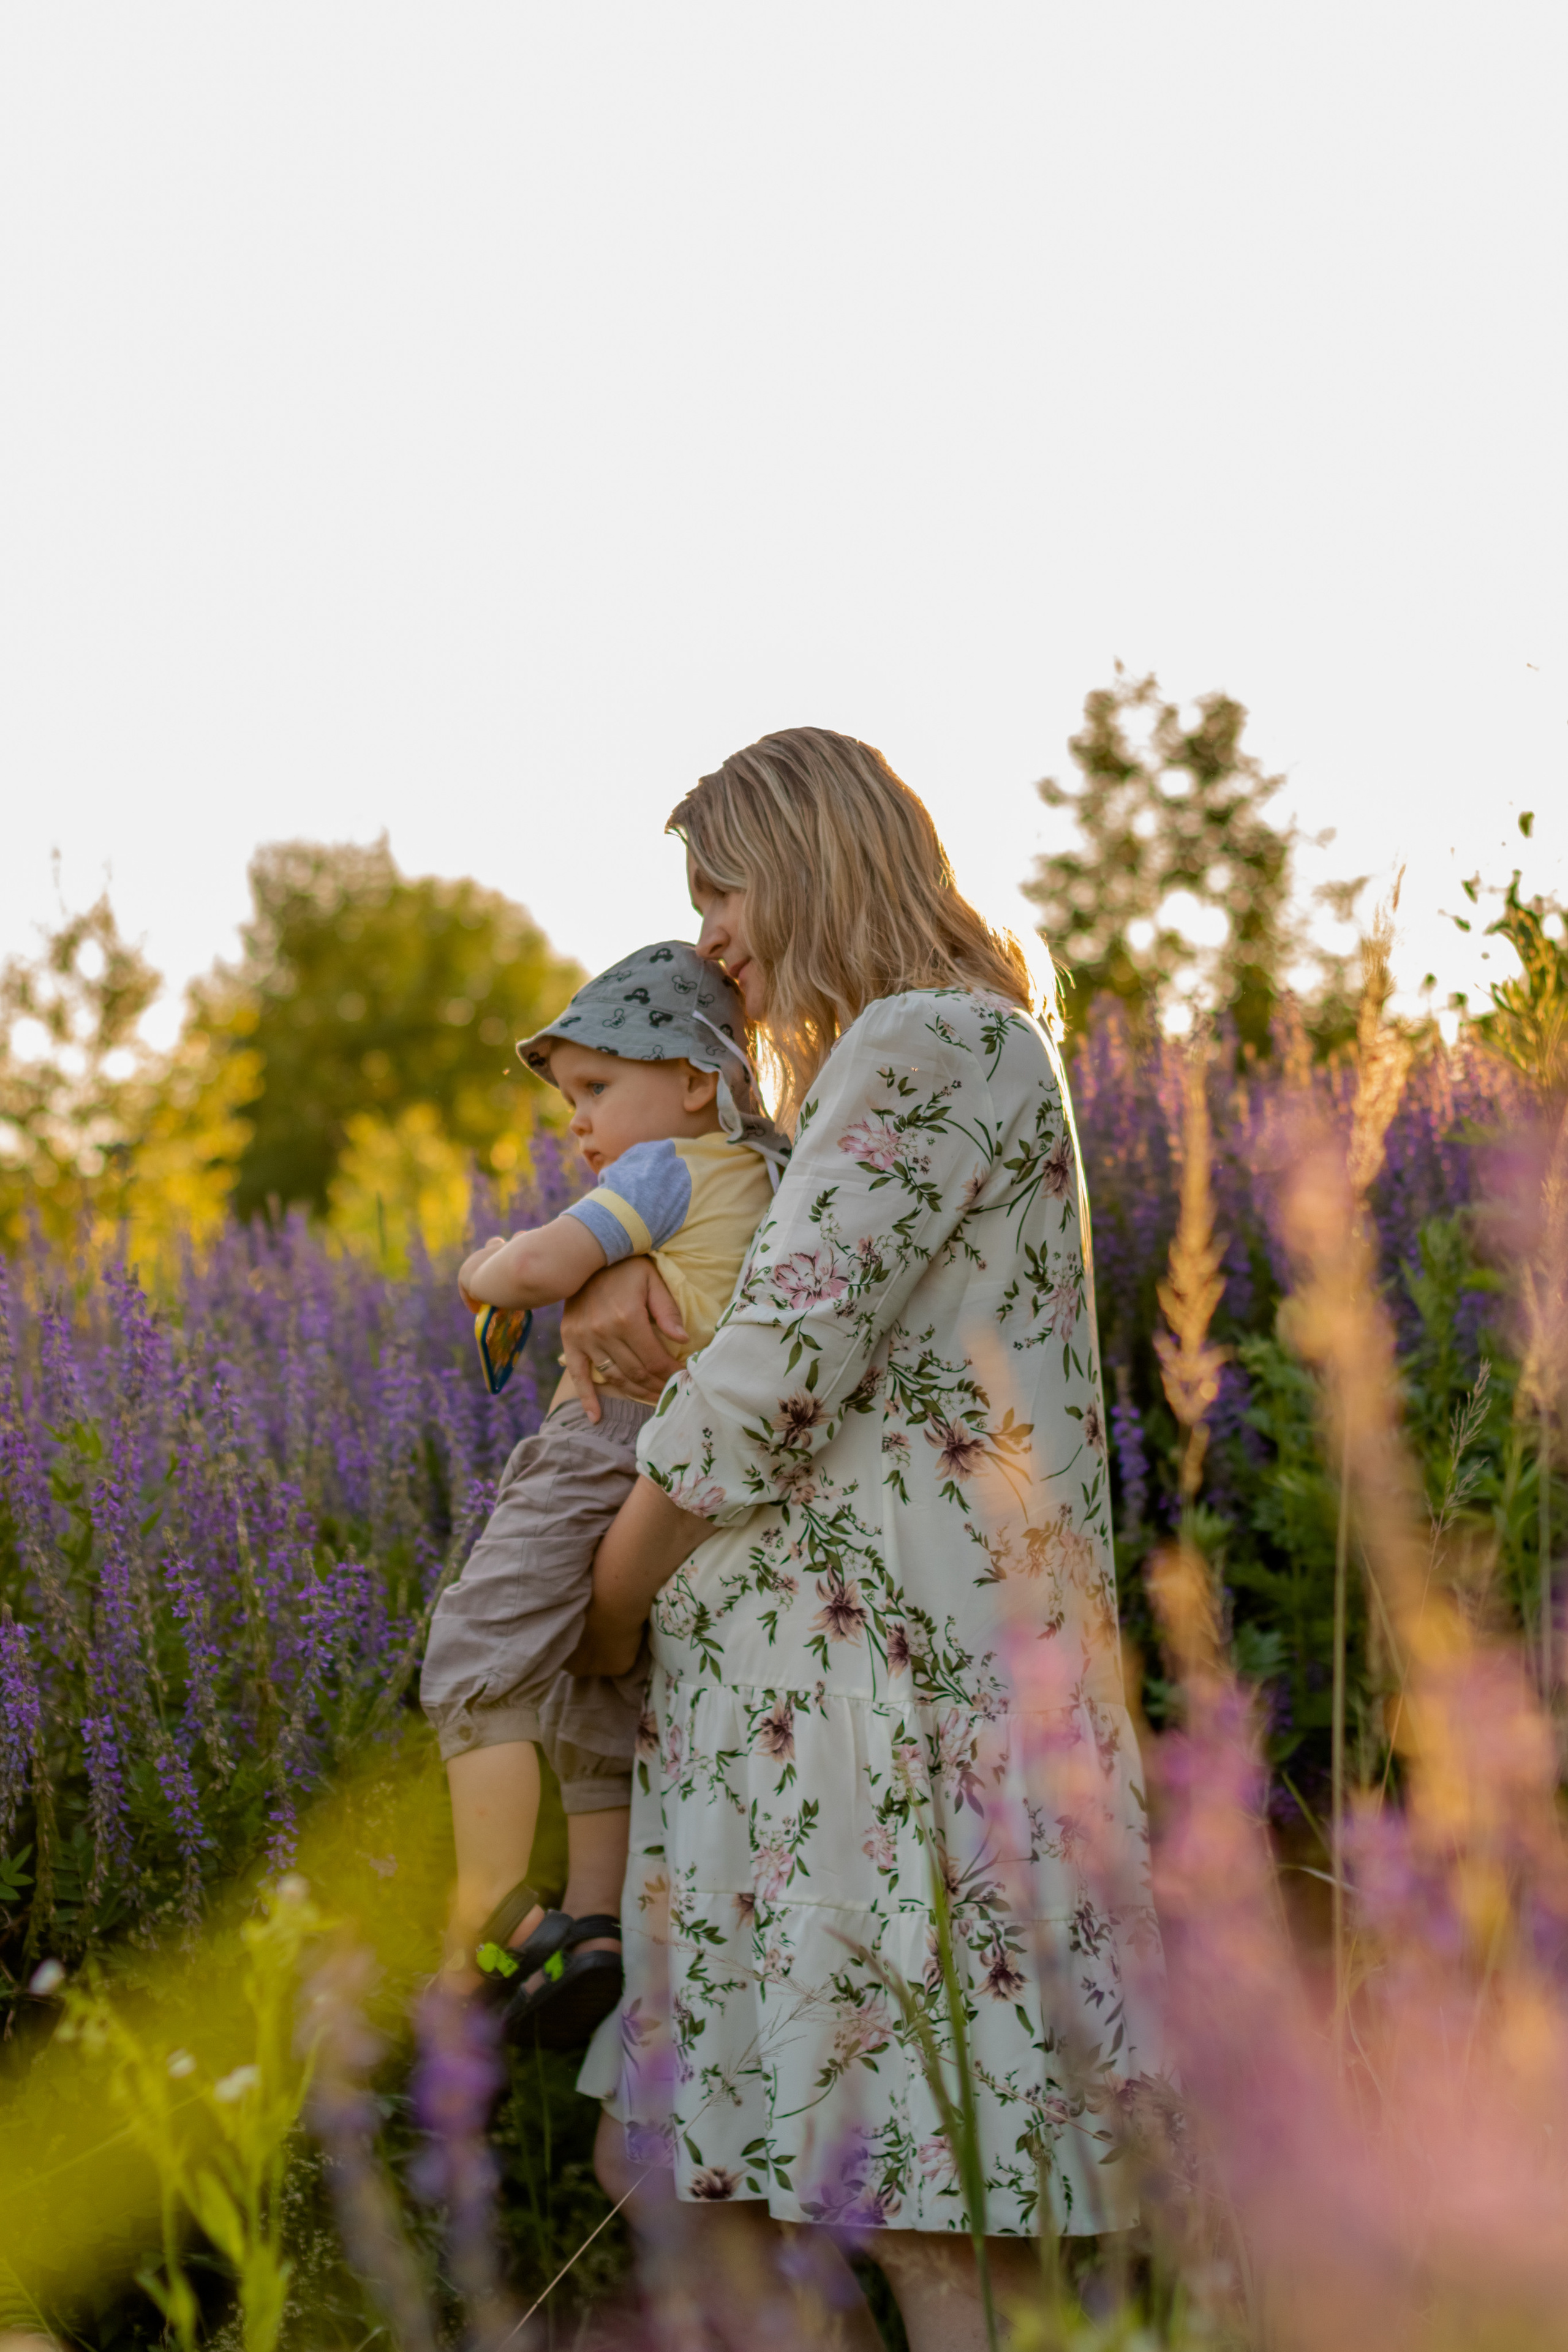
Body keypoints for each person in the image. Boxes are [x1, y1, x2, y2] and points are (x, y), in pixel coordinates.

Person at [562, 729, 1166, 2352]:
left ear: (813, 857)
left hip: (893, 1728)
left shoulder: (929, 1043)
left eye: (722, 889)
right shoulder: (898, 1062)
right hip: (823, 1734)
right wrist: (625, 1277)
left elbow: (771, 1385)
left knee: (938, 2231)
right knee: (764, 2200)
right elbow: (796, 1335)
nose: (706, 938)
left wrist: (610, 1598)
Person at [419, 941, 786, 2049]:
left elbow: (536, 1273)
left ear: (691, 1079)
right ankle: (592, 1927)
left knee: (476, 1649)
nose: (576, 1122)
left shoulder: (659, 1171)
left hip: (603, 1445)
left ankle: (490, 1909)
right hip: (692, 1460)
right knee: (597, 1688)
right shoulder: (770, 1177)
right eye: (568, 1097)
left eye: (596, 1087)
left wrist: (485, 1265)